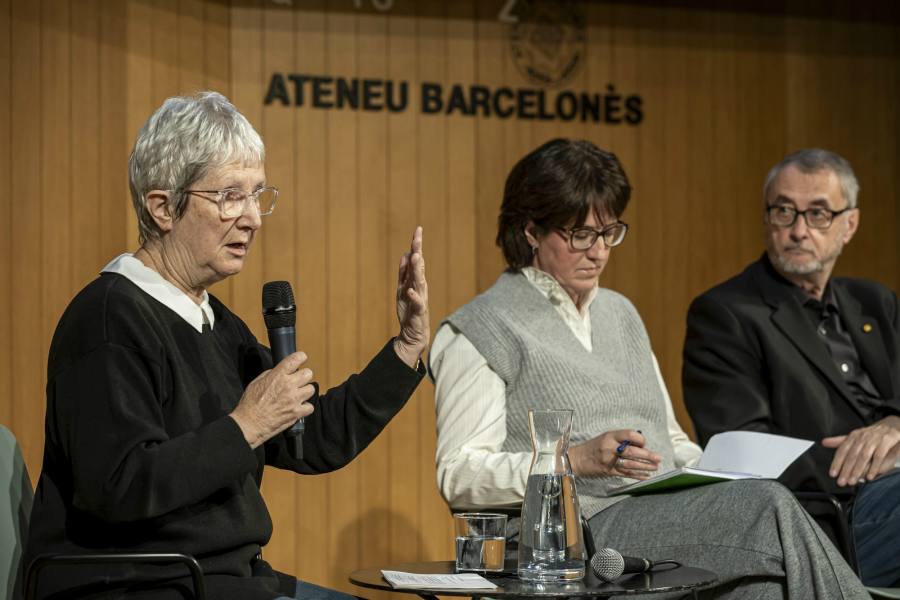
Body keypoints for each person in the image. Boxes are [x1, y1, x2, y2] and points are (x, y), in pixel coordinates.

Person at [21, 92, 430, 600]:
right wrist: (247, 425)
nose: (254, 218)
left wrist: (406, 347)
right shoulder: (107, 319)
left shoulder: (217, 322)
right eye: (230, 196)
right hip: (143, 585)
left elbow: (312, 438)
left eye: (258, 195)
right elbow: (119, 487)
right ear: (163, 208)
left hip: (229, 580)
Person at [430, 138, 868, 598]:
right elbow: (459, 475)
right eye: (580, 235)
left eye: (608, 233)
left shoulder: (620, 312)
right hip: (571, 537)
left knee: (763, 589)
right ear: (530, 231)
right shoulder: (480, 328)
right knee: (768, 507)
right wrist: (574, 461)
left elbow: (670, 440)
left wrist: (718, 474)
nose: (599, 252)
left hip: (659, 514)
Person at [682, 148, 900, 587]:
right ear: (766, 219)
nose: (799, 230)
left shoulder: (875, 301)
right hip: (829, 520)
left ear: (849, 225)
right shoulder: (725, 313)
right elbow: (742, 454)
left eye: (818, 214)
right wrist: (869, 459)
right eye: (784, 211)